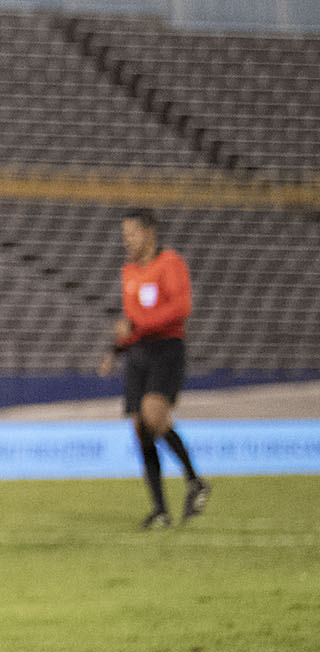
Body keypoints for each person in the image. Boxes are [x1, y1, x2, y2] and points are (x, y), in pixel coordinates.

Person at [101, 208, 207, 529]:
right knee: (141, 428)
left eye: (131, 233)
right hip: (139, 353)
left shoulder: (170, 264)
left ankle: (194, 480)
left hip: (166, 350)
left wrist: (139, 324)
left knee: (153, 415)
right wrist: (116, 349)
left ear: (149, 232)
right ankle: (160, 511)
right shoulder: (129, 272)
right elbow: (131, 322)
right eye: (124, 235)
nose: (126, 240)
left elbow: (180, 308)